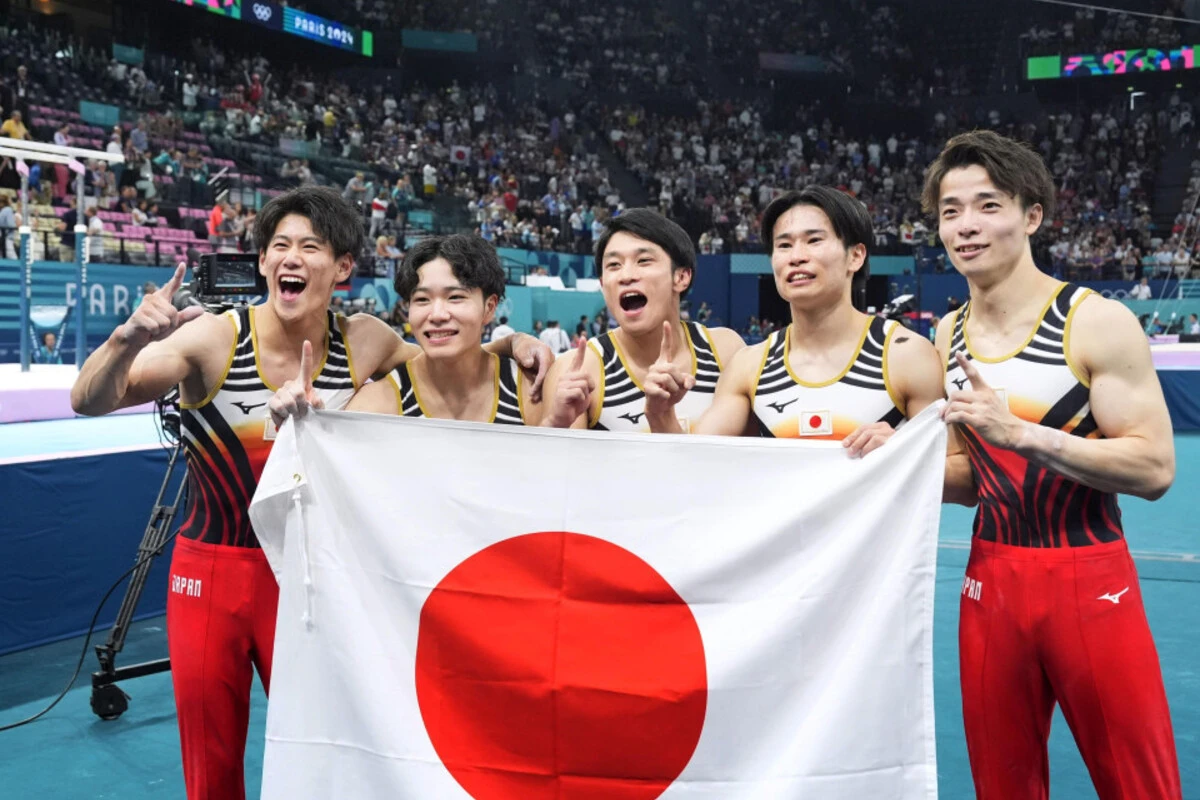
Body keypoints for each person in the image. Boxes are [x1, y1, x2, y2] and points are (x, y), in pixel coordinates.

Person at [69, 186, 551, 800]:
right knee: (211, 763)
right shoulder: (214, 339)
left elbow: (447, 357)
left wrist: (514, 343)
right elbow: (89, 400)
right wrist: (125, 339)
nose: (291, 258)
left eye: (310, 247)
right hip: (214, 572)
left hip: (309, 574)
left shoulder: (366, 340)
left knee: (329, 751)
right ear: (265, 263)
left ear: (343, 267)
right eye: (279, 247)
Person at [925, 130, 1180, 800]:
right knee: (1000, 786)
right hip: (989, 584)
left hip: (1089, 580)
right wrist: (872, 465)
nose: (966, 226)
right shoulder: (945, 335)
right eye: (950, 212)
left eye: (987, 205)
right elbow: (966, 477)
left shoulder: (1095, 323)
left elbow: (1154, 468)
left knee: (1139, 785)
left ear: (1031, 214)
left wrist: (1025, 435)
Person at [638, 187, 974, 503]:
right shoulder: (750, 366)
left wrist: (902, 456)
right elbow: (692, 462)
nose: (796, 256)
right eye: (783, 246)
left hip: (878, 565)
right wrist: (659, 413)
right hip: (782, 564)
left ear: (855, 256)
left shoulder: (906, 355)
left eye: (814, 241)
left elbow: (966, 483)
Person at [274, 235, 540, 425]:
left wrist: (514, 341)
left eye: (455, 297)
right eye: (422, 300)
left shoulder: (529, 391)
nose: (437, 315)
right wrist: (305, 426)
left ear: (489, 307)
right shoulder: (376, 407)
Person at [540, 208, 745, 432]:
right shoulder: (577, 372)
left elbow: (737, 462)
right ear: (602, 284)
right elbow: (558, 464)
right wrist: (556, 423)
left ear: (681, 277)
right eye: (614, 265)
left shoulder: (724, 352)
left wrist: (661, 417)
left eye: (644, 260)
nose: (626, 276)